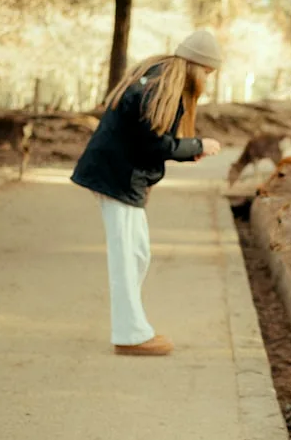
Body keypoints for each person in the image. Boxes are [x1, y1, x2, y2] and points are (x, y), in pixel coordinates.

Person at [71, 30, 223, 356]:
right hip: (116, 177)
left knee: (137, 254)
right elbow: (152, 142)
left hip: (121, 175)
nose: (207, 80)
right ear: (198, 66)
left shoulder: (160, 79)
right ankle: (130, 335)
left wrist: (184, 150)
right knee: (127, 259)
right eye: (208, 72)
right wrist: (196, 145)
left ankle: (133, 325)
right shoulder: (159, 86)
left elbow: (149, 141)